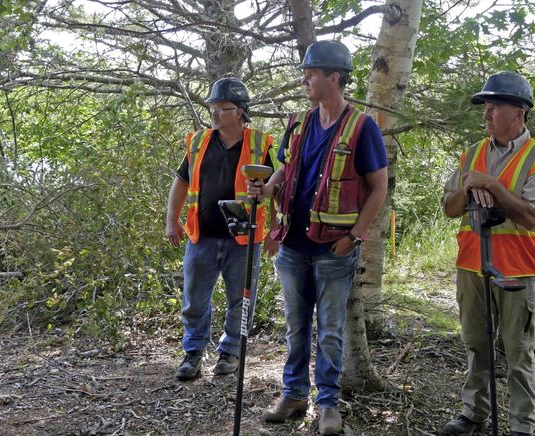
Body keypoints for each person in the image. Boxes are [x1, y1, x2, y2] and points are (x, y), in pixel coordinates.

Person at [247, 40, 388, 435]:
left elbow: (378, 188)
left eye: (312, 72)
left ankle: (328, 404)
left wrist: (355, 236)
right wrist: (269, 188)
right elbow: (284, 171)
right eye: (306, 72)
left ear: (335, 77)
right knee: (296, 326)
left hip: (333, 249)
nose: (305, 78)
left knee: (329, 331)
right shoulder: (299, 122)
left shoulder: (363, 127)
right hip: (292, 245)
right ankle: (293, 394)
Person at [441, 71, 535, 436]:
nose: (486, 115)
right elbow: (449, 208)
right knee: (476, 345)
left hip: (519, 270)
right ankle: (473, 414)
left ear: (519, 113)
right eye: (486, 108)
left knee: (519, 351)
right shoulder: (473, 153)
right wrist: (465, 190)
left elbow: (529, 216)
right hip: (472, 265)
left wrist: (492, 184)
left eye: (494, 107)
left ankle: (521, 426)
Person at [166, 77, 276, 381]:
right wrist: (171, 220)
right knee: (194, 298)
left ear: (240, 111)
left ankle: (230, 353)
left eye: (222, 107)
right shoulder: (199, 142)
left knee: (240, 299)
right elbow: (181, 182)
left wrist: (276, 231)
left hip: (244, 237)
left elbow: (278, 190)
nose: (214, 112)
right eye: (213, 106)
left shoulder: (260, 144)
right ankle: (193, 353)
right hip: (201, 235)